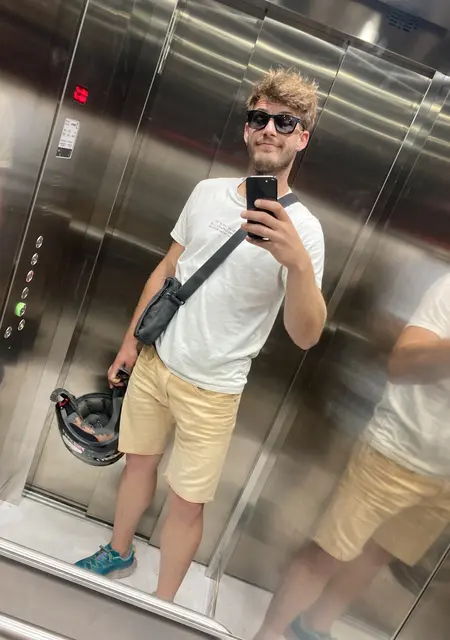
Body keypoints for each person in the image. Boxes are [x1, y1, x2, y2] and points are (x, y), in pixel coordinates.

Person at [75, 68, 327, 601]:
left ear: (302, 138)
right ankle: (118, 551)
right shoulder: (207, 192)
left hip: (213, 390)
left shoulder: (305, 231)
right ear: (247, 128)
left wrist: (298, 265)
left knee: (188, 504)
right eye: (259, 118)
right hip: (155, 362)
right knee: (137, 465)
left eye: (285, 122)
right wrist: (130, 344)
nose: (270, 129)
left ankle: (161, 607)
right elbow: (168, 269)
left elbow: (305, 336)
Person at [253, 273, 450, 640]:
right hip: (396, 453)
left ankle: (312, 627)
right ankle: (270, 634)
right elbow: (401, 364)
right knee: (329, 553)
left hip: (445, 477)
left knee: (378, 556)